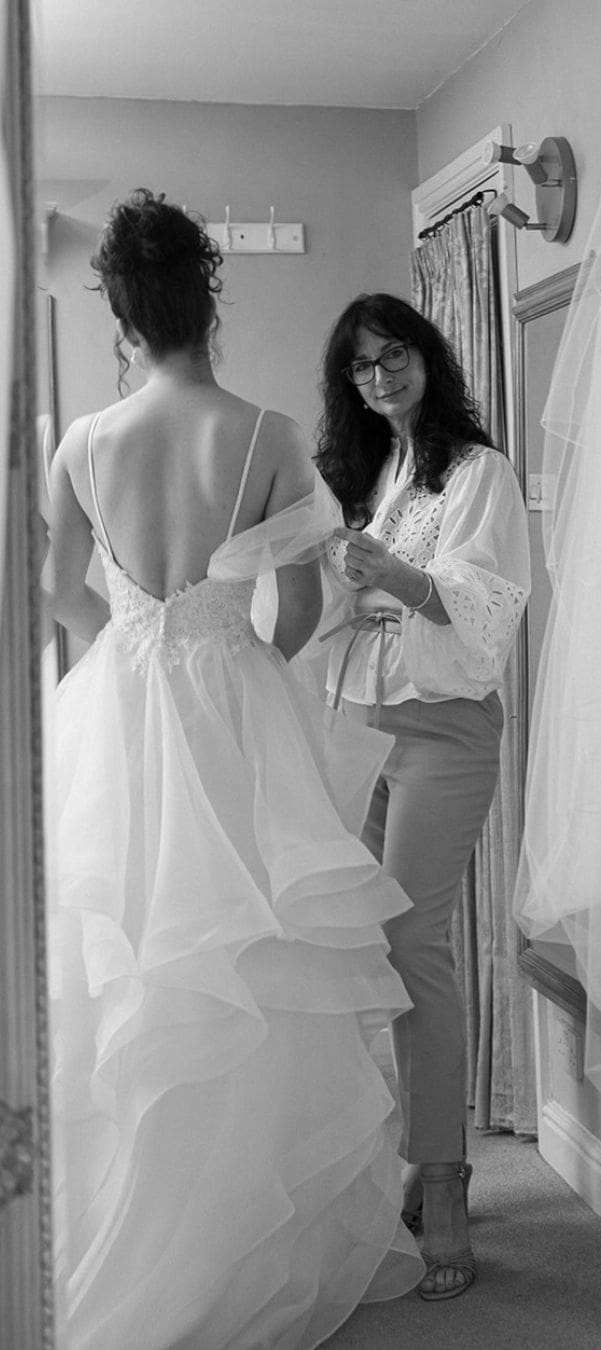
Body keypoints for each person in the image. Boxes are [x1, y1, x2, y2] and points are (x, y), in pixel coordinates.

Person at [44, 190, 424, 1350]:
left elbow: (56, 591)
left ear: (120, 311)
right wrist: (232, 651)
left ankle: (129, 1225)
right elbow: (301, 603)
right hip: (228, 705)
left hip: (115, 703)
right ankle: (245, 1232)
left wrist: (130, 636)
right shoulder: (261, 433)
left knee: (132, 962)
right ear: (207, 298)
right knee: (252, 961)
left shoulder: (83, 443)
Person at [314, 292, 530, 1300]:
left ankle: (442, 1176)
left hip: (444, 732)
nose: (378, 375)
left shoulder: (476, 471)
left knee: (411, 944)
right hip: (363, 726)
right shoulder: (367, 475)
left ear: (427, 357)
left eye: (393, 354)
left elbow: (486, 605)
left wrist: (392, 571)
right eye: (360, 365)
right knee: (364, 943)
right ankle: (407, 1155)